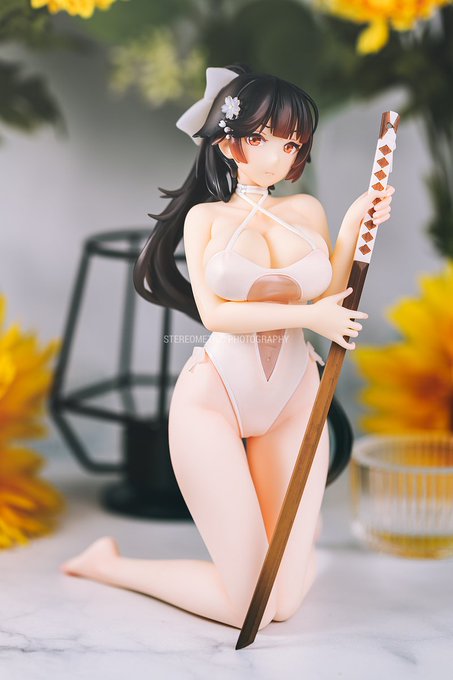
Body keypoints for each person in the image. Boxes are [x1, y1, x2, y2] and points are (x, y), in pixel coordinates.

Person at [61, 65, 393, 631]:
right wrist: (311, 317)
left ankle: (301, 545)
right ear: (227, 141)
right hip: (214, 401)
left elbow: (331, 296)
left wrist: (353, 225)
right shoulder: (206, 219)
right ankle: (108, 565)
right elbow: (216, 315)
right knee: (250, 608)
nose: (277, 157)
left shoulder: (306, 210)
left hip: (293, 399)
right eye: (262, 139)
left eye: (291, 144)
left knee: (282, 605)